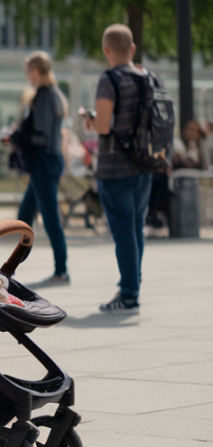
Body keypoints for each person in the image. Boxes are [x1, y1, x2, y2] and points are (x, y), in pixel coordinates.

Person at [80, 24, 153, 314]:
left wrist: (90, 121)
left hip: (115, 167)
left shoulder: (108, 79)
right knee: (136, 228)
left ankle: (129, 293)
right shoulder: (146, 77)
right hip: (145, 164)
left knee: (123, 231)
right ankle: (133, 283)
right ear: (132, 49)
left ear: (106, 51)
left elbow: (104, 125)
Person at [8, 51, 70, 287]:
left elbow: (41, 137)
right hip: (46, 163)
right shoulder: (54, 94)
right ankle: (12, 268)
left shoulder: (44, 96)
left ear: (35, 70)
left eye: (27, 72)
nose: (27, 77)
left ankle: (61, 270)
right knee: (24, 217)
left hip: (44, 162)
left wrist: (16, 137)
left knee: (50, 218)